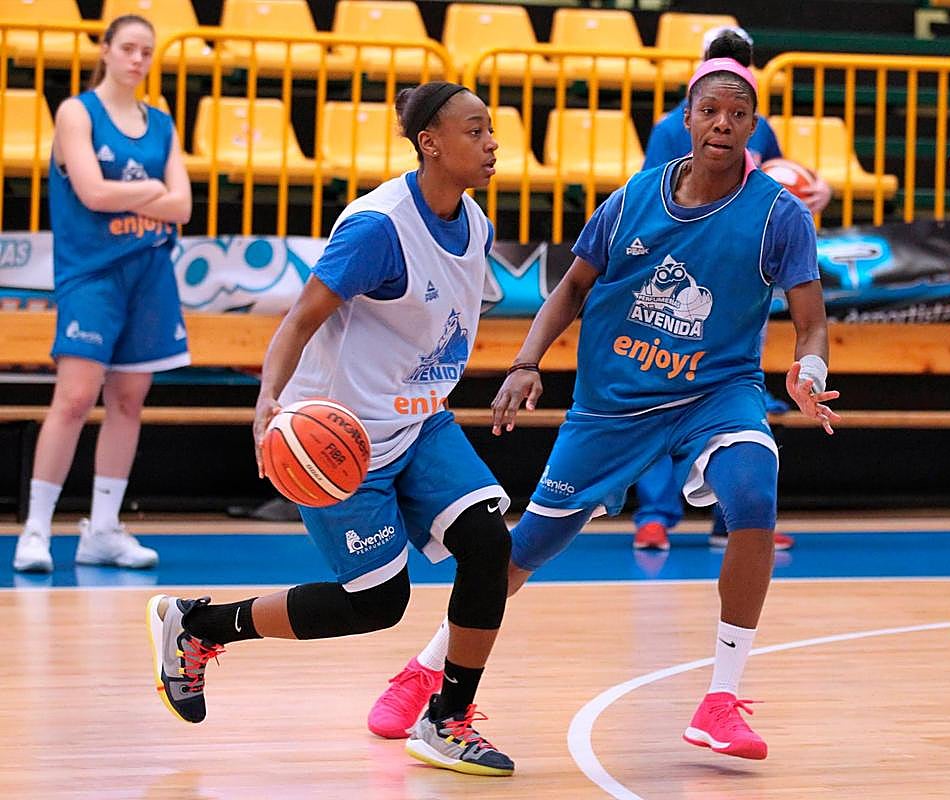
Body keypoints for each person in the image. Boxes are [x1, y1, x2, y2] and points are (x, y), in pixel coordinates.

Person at [368, 57, 842, 760]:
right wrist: (527, 363)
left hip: (718, 391)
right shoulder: (629, 202)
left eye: (738, 115)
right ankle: (426, 667)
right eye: (710, 110)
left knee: (753, 490)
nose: (722, 124)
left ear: (752, 128)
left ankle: (720, 700)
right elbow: (570, 289)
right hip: (616, 401)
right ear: (686, 119)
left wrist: (809, 367)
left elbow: (810, 322)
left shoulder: (779, 215)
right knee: (527, 546)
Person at [145, 81, 517, 777]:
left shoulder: (476, 222)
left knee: (489, 546)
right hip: (337, 438)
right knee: (376, 602)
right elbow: (300, 319)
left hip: (419, 421)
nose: (491, 141)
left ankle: (447, 721)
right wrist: (268, 399)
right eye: (475, 130)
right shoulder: (378, 228)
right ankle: (196, 626)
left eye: (490, 129)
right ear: (430, 142)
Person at [633, 26, 833, 553]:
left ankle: (736, 517)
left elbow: (775, 185)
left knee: (737, 391)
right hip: (680, 276)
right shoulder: (671, 127)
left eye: (739, 61)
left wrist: (811, 195)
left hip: (740, 276)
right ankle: (656, 517)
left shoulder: (758, 125)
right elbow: (654, 199)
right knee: (661, 392)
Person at [10, 15, 191, 574]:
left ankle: (103, 530)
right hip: (92, 274)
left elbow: (182, 208)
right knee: (73, 397)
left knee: (129, 401)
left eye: (147, 51)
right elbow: (89, 192)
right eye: (128, 48)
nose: (138, 59)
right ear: (106, 51)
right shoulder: (76, 112)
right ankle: (36, 529)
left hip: (149, 274)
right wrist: (151, 190)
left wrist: (132, 196)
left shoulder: (161, 123)